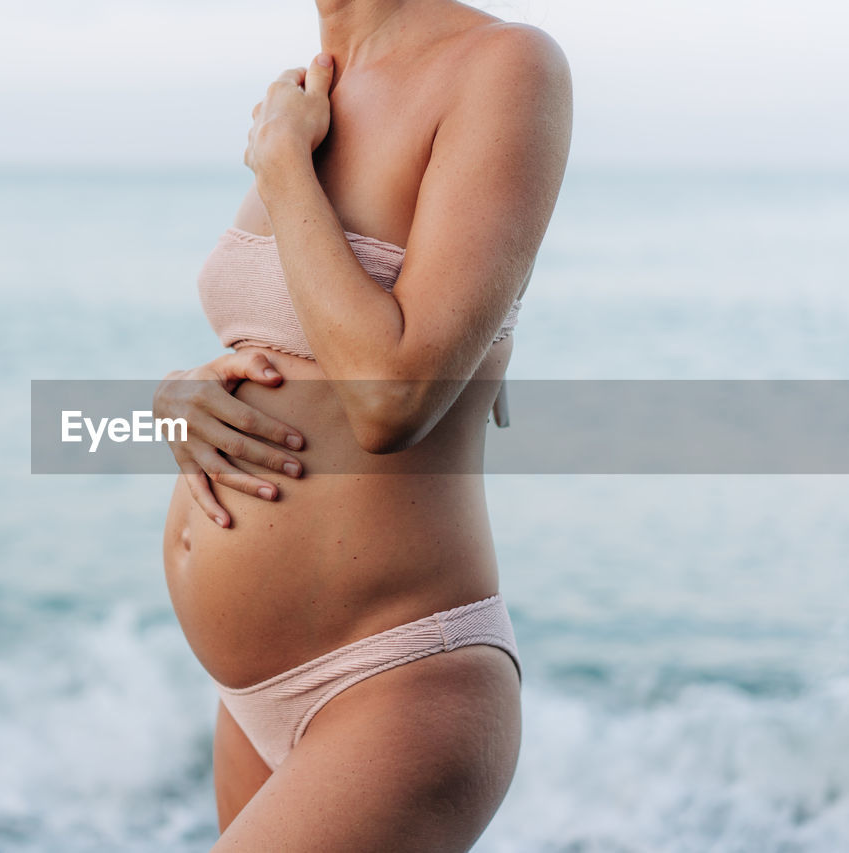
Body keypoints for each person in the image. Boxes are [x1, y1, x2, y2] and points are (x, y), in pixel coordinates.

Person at [154, 1, 572, 848]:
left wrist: (283, 167)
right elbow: (291, 342)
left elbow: (393, 398)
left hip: (395, 679)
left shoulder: (504, 65)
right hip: (250, 697)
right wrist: (174, 398)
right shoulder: (311, 90)